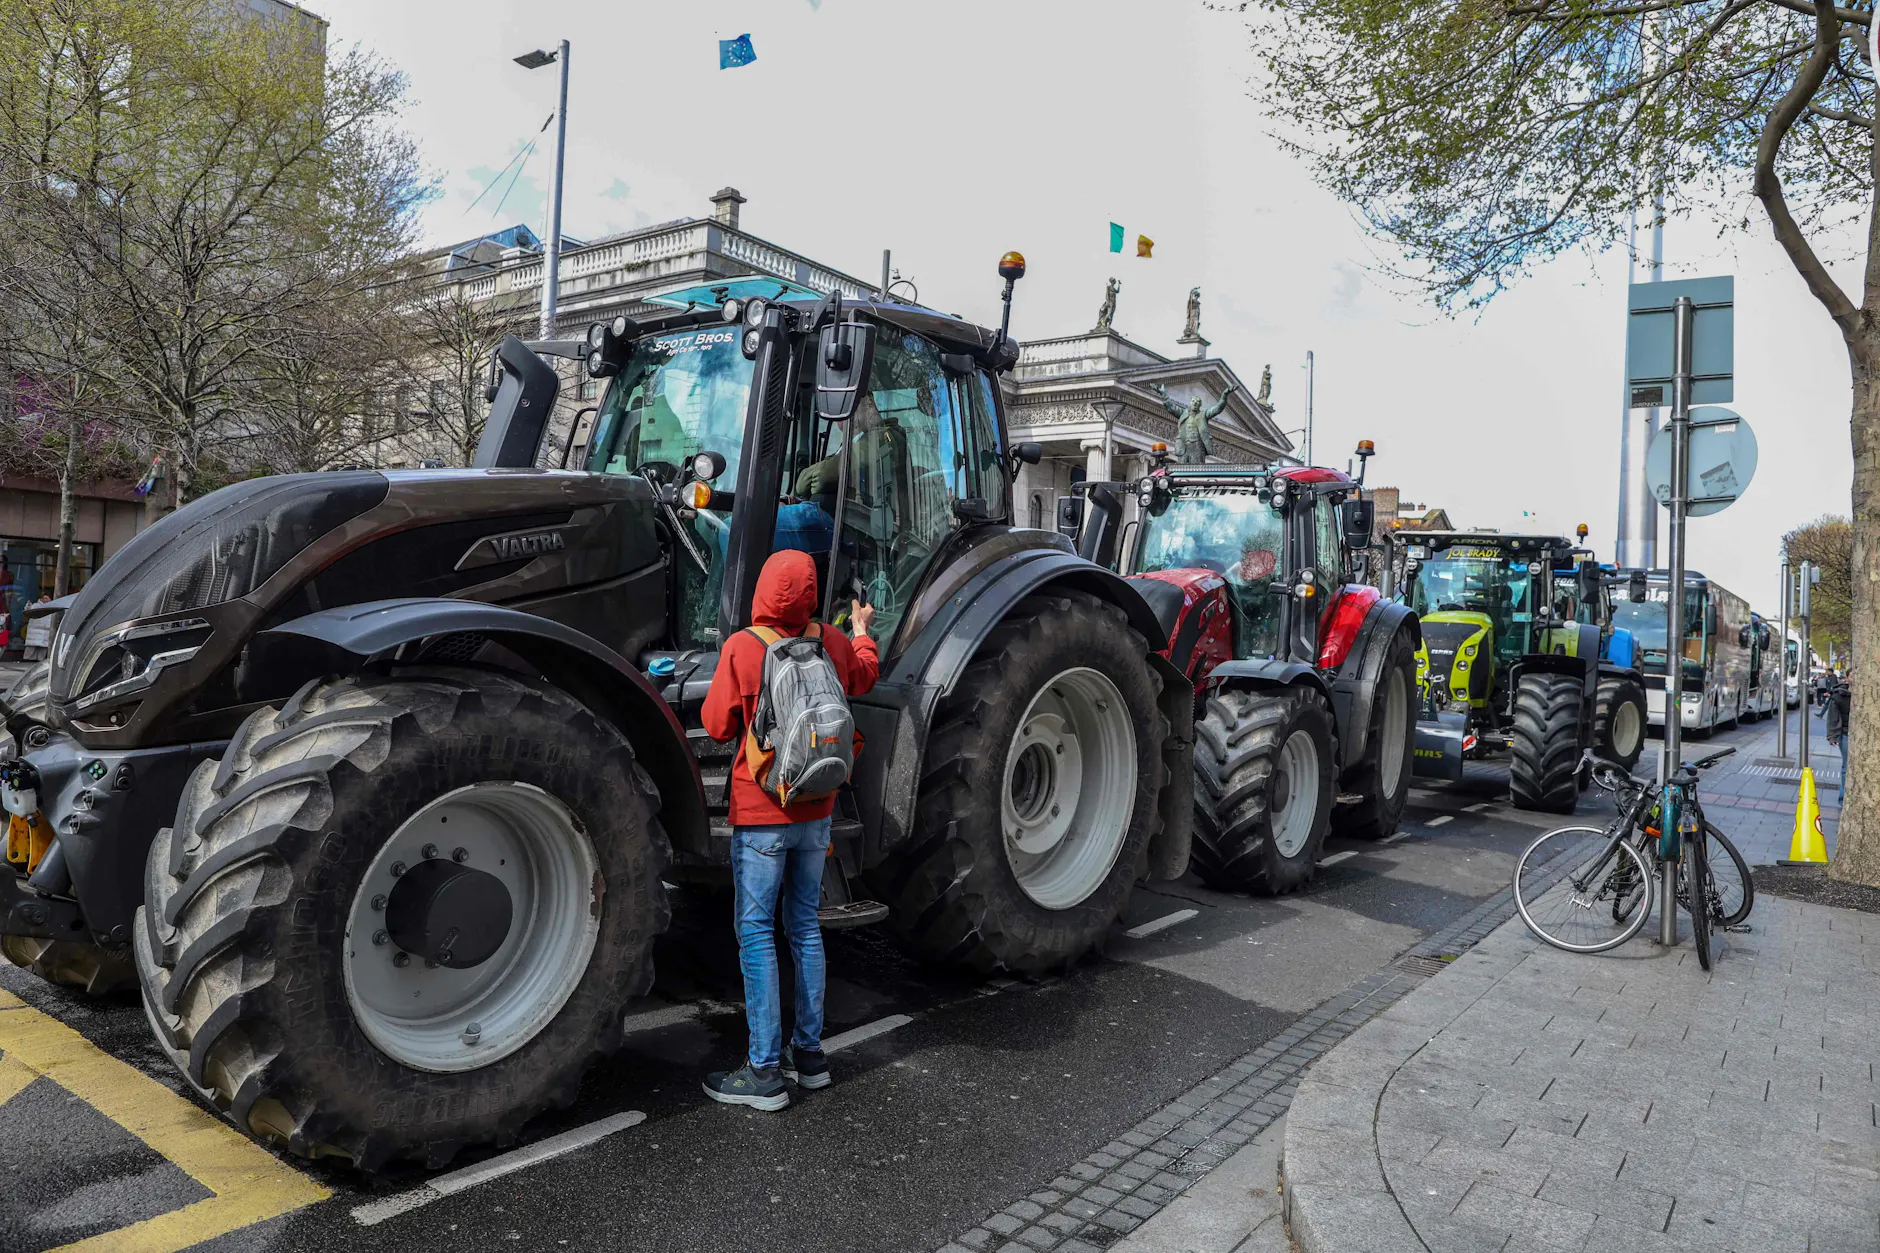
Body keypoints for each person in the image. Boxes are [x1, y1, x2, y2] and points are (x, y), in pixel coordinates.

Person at [699, 549, 879, 1110]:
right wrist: (863, 631)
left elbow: (715, 723)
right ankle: (810, 1058)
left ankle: (763, 1071)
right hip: (818, 808)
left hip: (762, 812)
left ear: (761, 590)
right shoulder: (830, 639)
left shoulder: (743, 647)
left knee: (755, 931)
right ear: (808, 593)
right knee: (804, 925)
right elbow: (866, 677)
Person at [1826, 668, 1852, 785]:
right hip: (1846, 734)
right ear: (1847, 678)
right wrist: (1832, 736)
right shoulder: (1839, 696)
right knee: (1847, 766)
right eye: (1852, 676)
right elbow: (1832, 717)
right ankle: (1843, 797)